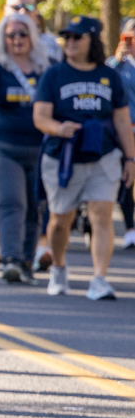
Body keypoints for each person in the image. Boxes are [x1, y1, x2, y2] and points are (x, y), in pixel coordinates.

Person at [33, 15, 134, 300]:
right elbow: (40, 117)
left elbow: (122, 121)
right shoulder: (54, 75)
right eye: (67, 37)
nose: (71, 42)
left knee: (102, 213)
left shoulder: (109, 76)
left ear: (92, 41)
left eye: (77, 37)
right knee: (60, 219)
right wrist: (58, 128)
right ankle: (59, 267)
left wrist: (130, 158)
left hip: (102, 155)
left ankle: (100, 278)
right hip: (63, 156)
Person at [0, 11, 51, 283]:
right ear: (3, 39)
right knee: (12, 201)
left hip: (38, 150)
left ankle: (26, 261)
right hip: (2, 148)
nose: (17, 39)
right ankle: (11, 259)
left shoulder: (45, 68)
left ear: (32, 37)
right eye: (11, 34)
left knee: (33, 207)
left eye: (23, 34)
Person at [111, 18, 135, 248]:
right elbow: (104, 79)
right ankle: (130, 227)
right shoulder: (118, 65)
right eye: (129, 37)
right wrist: (118, 59)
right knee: (127, 177)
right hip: (126, 129)